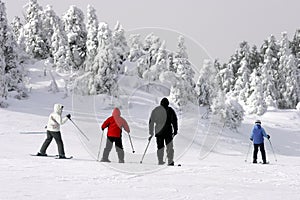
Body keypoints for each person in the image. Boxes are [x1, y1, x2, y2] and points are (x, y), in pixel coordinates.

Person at [149, 97, 178, 166]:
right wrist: (175, 130)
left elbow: (151, 121)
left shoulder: (156, 110)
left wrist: (151, 132)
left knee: (160, 147)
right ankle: (170, 161)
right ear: (167, 103)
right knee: (169, 146)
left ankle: (160, 160)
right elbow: (174, 120)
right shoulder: (170, 110)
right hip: (168, 131)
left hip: (159, 132)